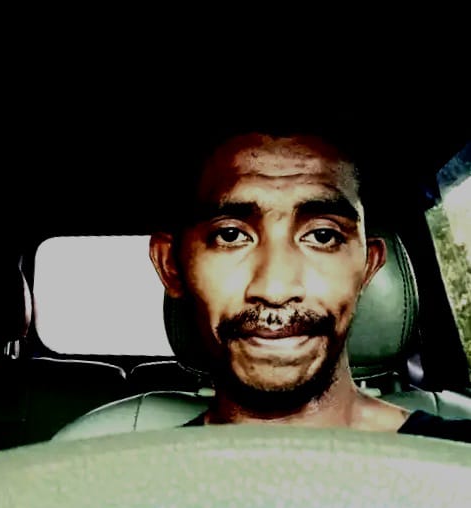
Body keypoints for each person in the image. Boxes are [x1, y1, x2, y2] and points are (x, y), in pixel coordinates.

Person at [144, 123, 470, 442]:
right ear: (171, 267)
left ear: (367, 267)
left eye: (323, 236)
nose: (276, 290)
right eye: (230, 235)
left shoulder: (458, 457)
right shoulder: (130, 470)